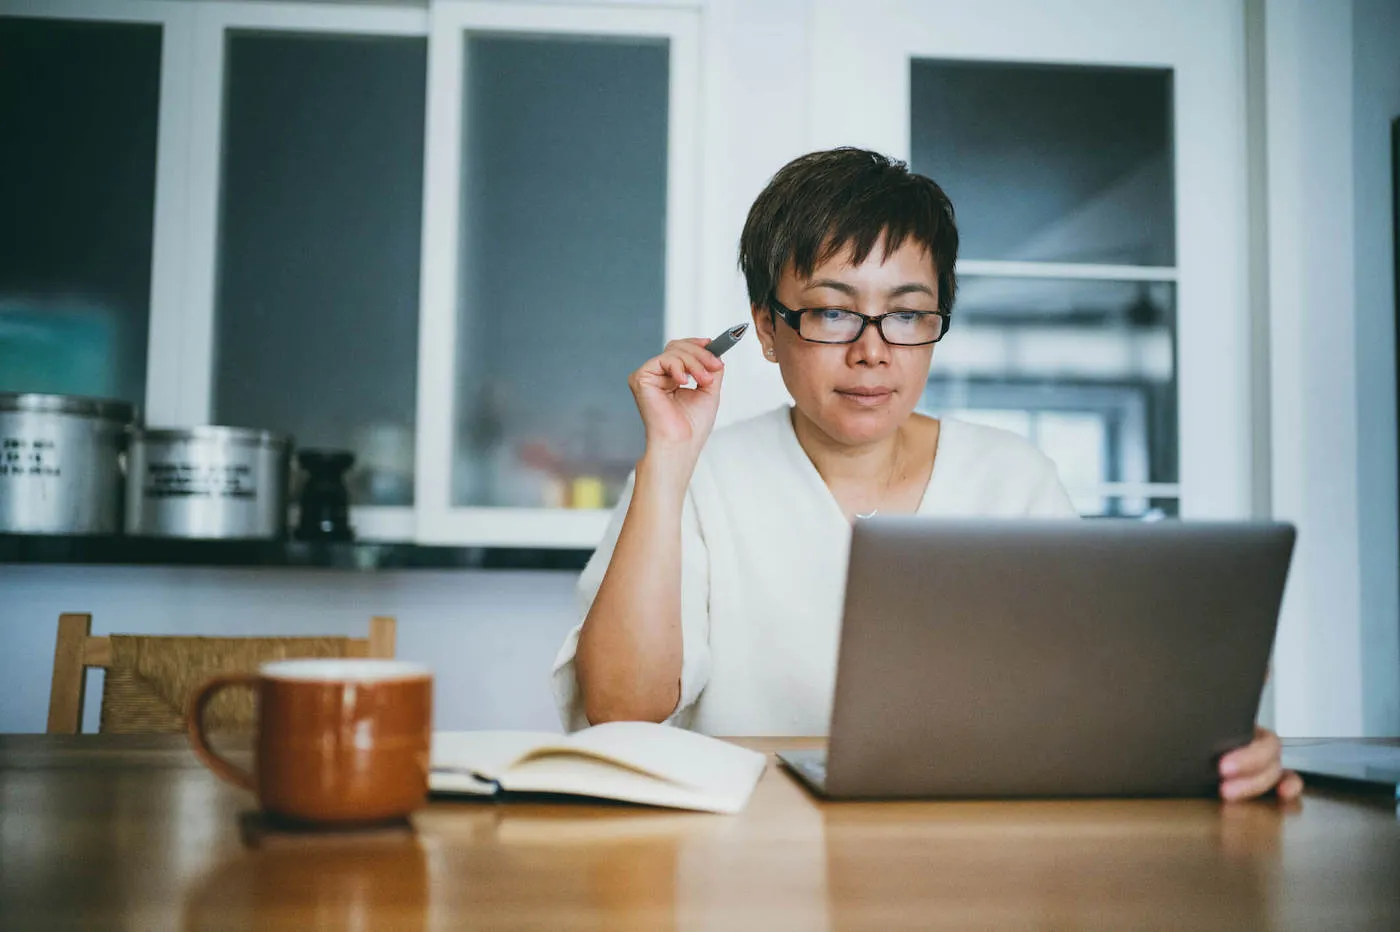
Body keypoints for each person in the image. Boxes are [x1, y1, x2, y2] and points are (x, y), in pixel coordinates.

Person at [552, 147, 1302, 803]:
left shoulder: (1014, 477)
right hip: (749, 860)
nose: (874, 351)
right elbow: (621, 708)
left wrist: (1213, 751)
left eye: (908, 314)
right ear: (769, 330)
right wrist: (669, 459)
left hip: (976, 858)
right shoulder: (695, 477)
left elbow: (1088, 707)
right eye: (832, 313)